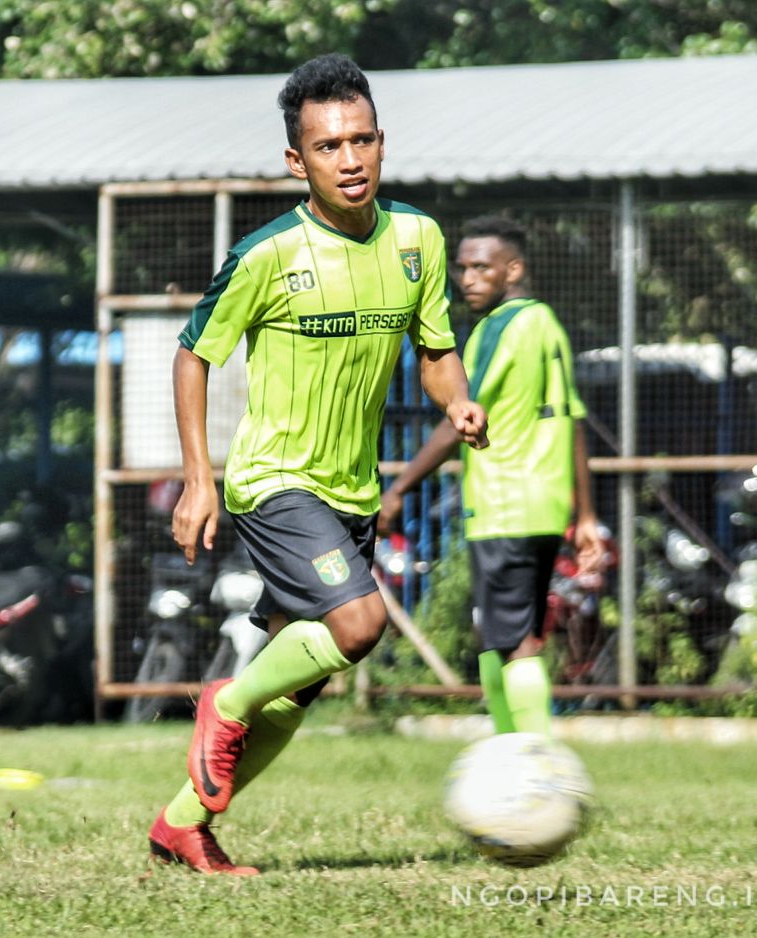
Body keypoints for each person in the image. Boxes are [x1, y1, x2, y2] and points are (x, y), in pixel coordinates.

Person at [148, 54, 488, 875]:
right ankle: (221, 706)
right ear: (297, 161)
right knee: (358, 625)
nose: (351, 159)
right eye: (330, 146)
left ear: (381, 142)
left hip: (351, 492)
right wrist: (200, 478)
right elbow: (194, 355)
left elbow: (435, 346)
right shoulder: (267, 255)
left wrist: (458, 400)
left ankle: (181, 826)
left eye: (363, 139)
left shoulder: (417, 239)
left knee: (294, 692)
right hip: (275, 482)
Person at [382, 215, 601, 739]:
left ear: (514, 269)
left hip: (504, 504)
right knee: (501, 637)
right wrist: (586, 513)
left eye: (482, 267)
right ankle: (512, 749)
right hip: (544, 506)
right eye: (462, 268)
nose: (467, 278)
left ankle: (531, 760)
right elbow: (571, 418)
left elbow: (462, 414)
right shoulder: (548, 324)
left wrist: (399, 489)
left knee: (515, 643)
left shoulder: (499, 328)